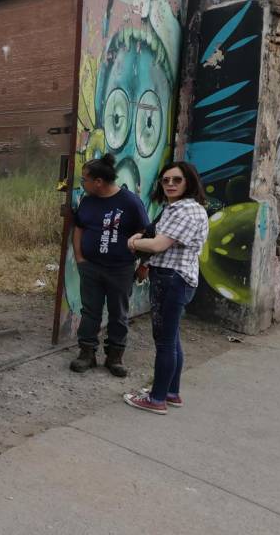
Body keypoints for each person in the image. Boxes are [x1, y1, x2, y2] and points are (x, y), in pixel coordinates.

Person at [123, 161, 209, 414]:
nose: (170, 184)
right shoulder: (178, 208)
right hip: (174, 279)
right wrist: (143, 238)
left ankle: (157, 399)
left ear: (189, 181)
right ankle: (170, 392)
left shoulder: (185, 210)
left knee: (164, 342)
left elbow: (160, 245)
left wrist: (135, 242)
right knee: (171, 340)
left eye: (177, 180)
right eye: (166, 180)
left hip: (172, 280)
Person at [69, 153, 149, 377]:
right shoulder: (88, 201)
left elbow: (145, 232)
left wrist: (144, 263)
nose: (82, 183)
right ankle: (87, 354)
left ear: (98, 182)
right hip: (91, 267)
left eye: (84, 179)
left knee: (118, 313)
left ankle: (115, 357)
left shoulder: (130, 202)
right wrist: (80, 258)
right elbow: (79, 228)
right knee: (90, 311)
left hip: (120, 269)